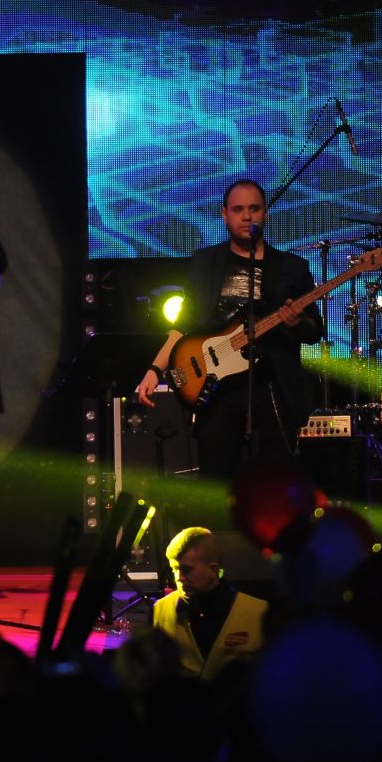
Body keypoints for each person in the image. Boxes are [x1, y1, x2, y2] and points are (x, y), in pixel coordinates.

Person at [135, 179, 324, 478]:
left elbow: (315, 331)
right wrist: (154, 370)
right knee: (217, 481)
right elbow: (183, 326)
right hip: (217, 393)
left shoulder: (292, 267)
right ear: (224, 214)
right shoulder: (205, 262)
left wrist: (296, 323)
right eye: (238, 209)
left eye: (254, 208)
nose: (247, 216)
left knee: (275, 484)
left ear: (266, 213)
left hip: (272, 389)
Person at [152, 527, 268, 679]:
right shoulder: (160, 610)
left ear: (213, 569)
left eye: (186, 570)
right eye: (174, 569)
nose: (179, 578)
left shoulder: (259, 613)